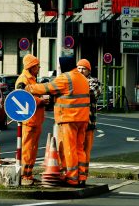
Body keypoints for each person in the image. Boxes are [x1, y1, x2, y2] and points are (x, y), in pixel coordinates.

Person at [25, 57, 90, 187]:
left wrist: (28, 88)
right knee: (79, 148)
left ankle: (72, 177)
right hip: (83, 119)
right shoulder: (83, 78)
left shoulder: (66, 78)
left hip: (69, 118)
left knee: (69, 149)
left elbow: (47, 88)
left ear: (64, 66)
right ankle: (82, 176)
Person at [15, 54, 48, 186]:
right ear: (31, 67)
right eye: (37, 66)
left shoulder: (31, 79)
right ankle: (24, 175)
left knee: (32, 149)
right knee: (27, 149)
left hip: (35, 120)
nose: (39, 68)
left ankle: (28, 174)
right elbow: (22, 98)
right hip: (29, 120)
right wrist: (41, 101)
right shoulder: (23, 80)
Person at [77, 59, 101, 185]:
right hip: (76, 121)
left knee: (85, 151)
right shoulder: (75, 80)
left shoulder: (94, 82)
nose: (80, 71)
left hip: (89, 122)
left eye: (83, 69)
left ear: (88, 70)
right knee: (76, 150)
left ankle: (83, 176)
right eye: (79, 68)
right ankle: (75, 174)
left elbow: (91, 94)